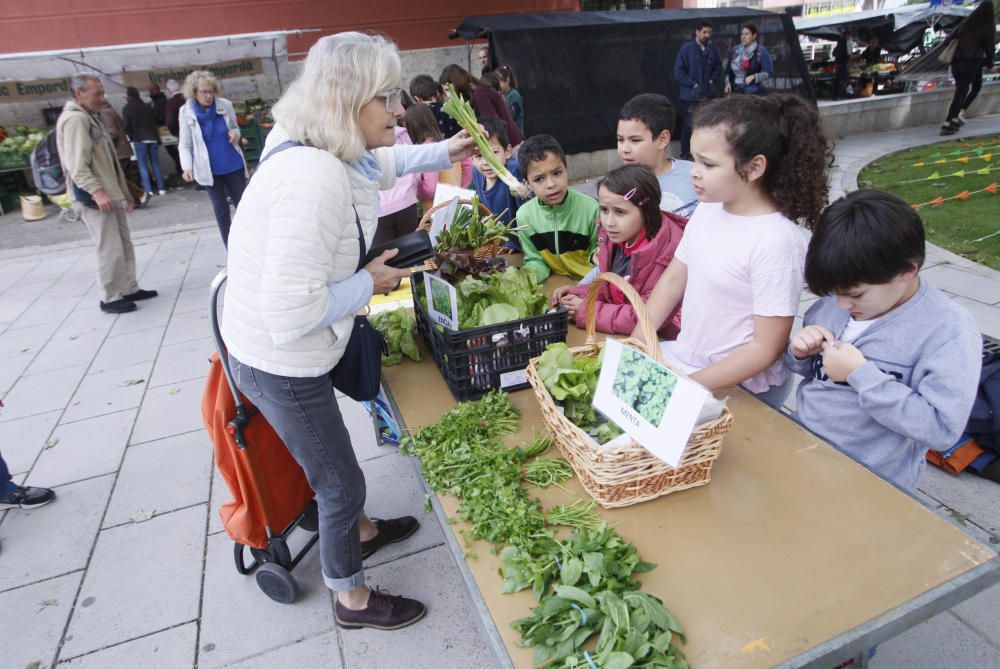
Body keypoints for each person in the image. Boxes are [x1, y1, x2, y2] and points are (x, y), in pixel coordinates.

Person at [221, 32, 476, 630]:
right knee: (338, 480)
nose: (396, 111)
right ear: (346, 102)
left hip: (282, 347)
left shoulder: (320, 145)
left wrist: (444, 152)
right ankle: (350, 599)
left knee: (334, 463)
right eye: (384, 98)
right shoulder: (312, 181)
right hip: (281, 358)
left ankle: (360, 531)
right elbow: (291, 312)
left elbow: (378, 163)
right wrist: (372, 279)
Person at [636, 94, 832, 409]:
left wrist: (686, 387)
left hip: (742, 389)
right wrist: (638, 341)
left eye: (709, 164)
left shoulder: (777, 241)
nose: (694, 172)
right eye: (695, 159)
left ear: (754, 168)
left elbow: (765, 348)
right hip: (692, 366)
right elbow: (674, 279)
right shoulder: (708, 209)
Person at [784, 190, 982, 491]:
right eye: (835, 293)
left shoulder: (947, 330)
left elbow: (942, 429)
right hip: (800, 453)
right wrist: (799, 353)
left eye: (855, 295)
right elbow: (810, 374)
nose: (840, 305)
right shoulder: (833, 302)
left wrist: (860, 375)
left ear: (907, 270)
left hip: (873, 483)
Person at [57, 74, 158, 314]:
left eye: (102, 93)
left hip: (110, 194)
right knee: (108, 248)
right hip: (93, 199)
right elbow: (76, 165)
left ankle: (129, 287)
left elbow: (109, 163)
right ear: (79, 93)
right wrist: (97, 193)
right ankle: (110, 296)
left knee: (123, 244)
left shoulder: (90, 117)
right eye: (97, 94)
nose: (102, 98)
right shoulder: (75, 120)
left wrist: (125, 193)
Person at [551, 164, 686, 338]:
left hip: (665, 340)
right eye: (604, 210)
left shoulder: (667, 255)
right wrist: (577, 294)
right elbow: (614, 291)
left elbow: (649, 317)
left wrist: (588, 311)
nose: (608, 222)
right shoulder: (619, 240)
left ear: (647, 210)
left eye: (620, 212)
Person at [178, 70, 248, 247]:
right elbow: (185, 143)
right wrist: (187, 167)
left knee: (244, 207)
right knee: (221, 211)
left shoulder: (225, 105)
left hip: (232, 164)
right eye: (203, 92)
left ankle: (250, 244)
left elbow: (235, 127)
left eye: (211, 91)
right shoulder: (186, 112)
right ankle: (231, 249)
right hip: (208, 170)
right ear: (194, 92)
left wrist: (236, 134)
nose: (208, 96)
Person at [516, 134, 599, 282]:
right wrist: (527, 280)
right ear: (527, 184)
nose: (551, 184)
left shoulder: (592, 209)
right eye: (539, 179)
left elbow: (599, 258)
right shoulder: (524, 216)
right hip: (553, 281)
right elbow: (535, 260)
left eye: (557, 173)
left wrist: (583, 288)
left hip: (590, 283)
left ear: (566, 170)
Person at [617, 93, 698, 218]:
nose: (624, 149)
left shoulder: (695, 176)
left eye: (635, 140)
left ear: (662, 139)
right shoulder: (615, 185)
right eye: (620, 139)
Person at [940, 1, 997, 135]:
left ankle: (954, 118)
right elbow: (990, 48)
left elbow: (947, 40)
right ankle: (948, 122)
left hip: (957, 62)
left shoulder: (966, 23)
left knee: (970, 88)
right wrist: (990, 64)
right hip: (972, 62)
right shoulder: (988, 26)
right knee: (961, 92)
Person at [470, 116, 523, 249]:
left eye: (493, 153)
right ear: (471, 158)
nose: (486, 162)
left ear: (507, 151)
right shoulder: (477, 173)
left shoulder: (514, 171)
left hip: (521, 246)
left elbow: (528, 216)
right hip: (499, 245)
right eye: (478, 156)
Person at [440, 64, 523, 146]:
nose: (448, 95)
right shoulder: (477, 93)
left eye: (448, 90)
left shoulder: (480, 94)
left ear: (458, 84)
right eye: (445, 91)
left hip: (508, 147)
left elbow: (491, 126)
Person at [673, 19, 722, 160]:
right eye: (704, 32)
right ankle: (684, 155)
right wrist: (692, 83)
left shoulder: (712, 50)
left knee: (706, 126)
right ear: (697, 32)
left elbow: (718, 66)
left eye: (709, 32)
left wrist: (713, 80)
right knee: (688, 127)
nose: (707, 35)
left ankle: (701, 154)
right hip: (690, 97)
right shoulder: (686, 49)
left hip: (708, 96)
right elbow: (678, 72)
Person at [405, 103, 469, 209]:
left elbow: (430, 188)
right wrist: (459, 187)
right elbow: (467, 164)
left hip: (435, 209)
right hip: (456, 204)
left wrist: (417, 190)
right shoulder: (446, 144)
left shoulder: (425, 151)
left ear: (411, 127)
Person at [376, 121, 419, 247]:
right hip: (407, 203)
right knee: (411, 254)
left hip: (380, 209)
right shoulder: (402, 134)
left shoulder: (366, 140)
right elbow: (414, 166)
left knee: (385, 260)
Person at [98, 100, 147, 207]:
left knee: (120, 177)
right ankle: (136, 200)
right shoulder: (111, 110)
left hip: (118, 151)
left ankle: (140, 194)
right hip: (124, 149)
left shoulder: (105, 113)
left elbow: (112, 132)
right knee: (127, 176)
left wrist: (105, 145)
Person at [122, 86, 167, 196]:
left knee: (142, 165)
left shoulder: (127, 108)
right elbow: (156, 121)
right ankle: (161, 188)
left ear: (128, 97)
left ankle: (148, 190)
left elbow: (126, 126)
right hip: (153, 138)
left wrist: (131, 137)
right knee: (155, 163)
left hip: (139, 139)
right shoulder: (147, 106)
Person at [724, 24, 774, 97]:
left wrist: (754, 77)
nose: (743, 37)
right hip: (735, 90)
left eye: (747, 34)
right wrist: (728, 83)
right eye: (742, 34)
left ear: (754, 36)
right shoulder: (735, 50)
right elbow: (728, 71)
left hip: (753, 91)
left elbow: (770, 72)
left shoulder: (761, 51)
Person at [163, 79, 185, 175]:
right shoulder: (189, 99)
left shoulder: (171, 103)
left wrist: (175, 132)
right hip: (198, 130)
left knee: (188, 154)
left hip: (182, 132)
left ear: (168, 90)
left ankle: (199, 180)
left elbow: (170, 122)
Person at [496, 65, 524, 135]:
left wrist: (500, 97)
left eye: (499, 82)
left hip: (516, 136)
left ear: (507, 80)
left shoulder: (515, 95)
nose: (496, 86)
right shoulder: (501, 95)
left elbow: (511, 115)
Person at [833, 31, 852, 100]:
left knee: (837, 80)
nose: (850, 37)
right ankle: (841, 94)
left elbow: (834, 53)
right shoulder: (848, 43)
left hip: (837, 63)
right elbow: (849, 55)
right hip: (843, 63)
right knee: (845, 80)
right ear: (847, 36)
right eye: (850, 36)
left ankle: (835, 95)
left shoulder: (839, 43)